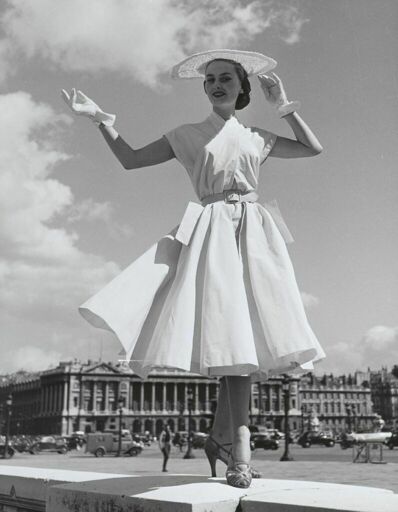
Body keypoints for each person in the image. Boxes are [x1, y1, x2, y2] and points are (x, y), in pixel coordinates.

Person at [62, 48, 326, 488]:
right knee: (234, 337)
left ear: (243, 86)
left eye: (226, 78)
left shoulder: (257, 136)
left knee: (245, 339)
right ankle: (237, 444)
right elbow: (129, 159)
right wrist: (101, 120)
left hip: (256, 234)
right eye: (210, 79)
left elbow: (312, 148)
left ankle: (222, 439)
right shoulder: (186, 134)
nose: (217, 84)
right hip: (212, 231)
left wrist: (284, 105)